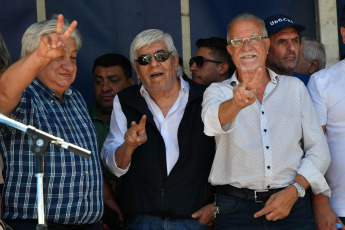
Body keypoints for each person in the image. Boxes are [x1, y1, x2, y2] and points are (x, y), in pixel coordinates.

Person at [201, 13, 331, 229]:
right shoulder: (218, 91)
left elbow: (319, 151)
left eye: (253, 39)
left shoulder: (295, 88)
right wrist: (236, 103)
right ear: (230, 50)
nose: (246, 47)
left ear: (266, 44)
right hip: (236, 208)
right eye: (238, 42)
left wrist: (294, 191)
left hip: (292, 204)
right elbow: (211, 122)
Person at [101, 29, 216, 229]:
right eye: (144, 59)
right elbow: (113, 167)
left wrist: (217, 206)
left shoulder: (205, 98)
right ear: (137, 70)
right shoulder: (126, 101)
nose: (154, 63)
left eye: (161, 56)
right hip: (142, 220)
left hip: (195, 220)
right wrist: (128, 147)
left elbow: (229, 158)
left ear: (174, 60)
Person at [0, 15, 103, 229]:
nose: (68, 65)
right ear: (32, 57)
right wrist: (40, 57)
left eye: (73, 57)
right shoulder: (25, 96)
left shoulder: (76, 98)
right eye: (57, 56)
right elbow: (3, 91)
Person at [307, 5, 345, 230]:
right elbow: (313, 148)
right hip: (340, 208)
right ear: (343, 33)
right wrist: (320, 202)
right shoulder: (322, 82)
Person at [89, 53, 134, 229]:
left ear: (131, 83)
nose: (105, 88)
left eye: (113, 80)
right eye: (98, 81)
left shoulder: (141, 121)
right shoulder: (81, 122)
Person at [264, 14, 310, 85]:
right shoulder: (253, 89)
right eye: (282, 42)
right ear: (265, 47)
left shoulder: (310, 84)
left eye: (295, 41)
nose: (292, 48)